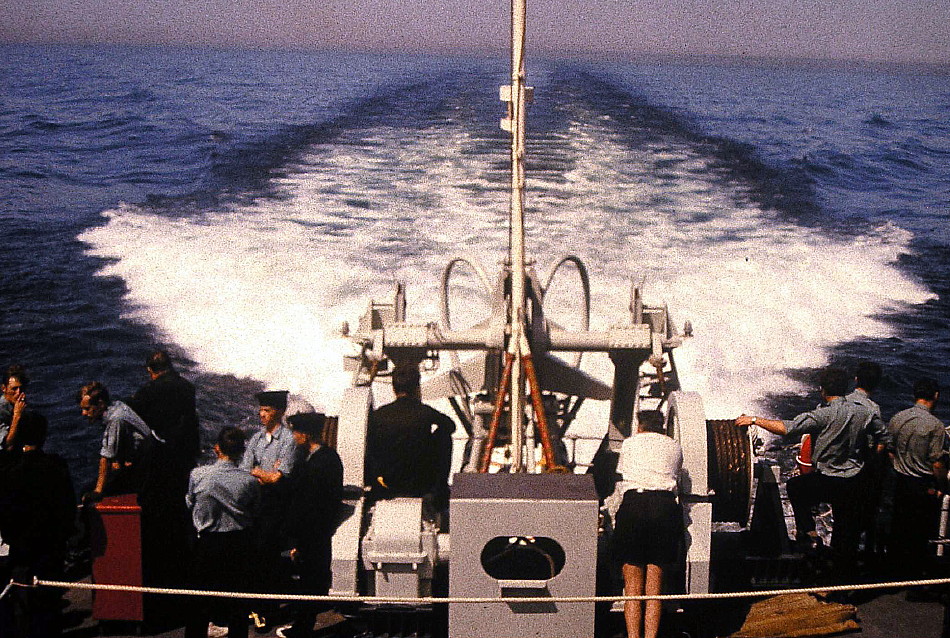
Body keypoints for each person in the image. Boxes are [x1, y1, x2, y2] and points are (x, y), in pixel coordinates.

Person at [736, 366, 888, 576]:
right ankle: (843, 585)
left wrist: (754, 420)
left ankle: (808, 532)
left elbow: (786, 428)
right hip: (854, 481)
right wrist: (870, 461)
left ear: (822, 390)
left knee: (796, 487)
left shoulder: (822, 415)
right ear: (846, 389)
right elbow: (883, 437)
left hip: (828, 480)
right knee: (845, 536)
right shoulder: (866, 412)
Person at [0, 411, 76, 638]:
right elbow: (67, 507)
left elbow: (6, 512)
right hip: (52, 546)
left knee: (25, 606)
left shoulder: (10, 472)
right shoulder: (57, 466)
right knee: (50, 603)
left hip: (22, 550)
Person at [610, 410, 683, 638]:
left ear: (639, 426)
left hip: (635, 505)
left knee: (632, 589)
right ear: (662, 426)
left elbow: (622, 475)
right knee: (654, 589)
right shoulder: (674, 446)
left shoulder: (630, 444)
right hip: (664, 507)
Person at [185, 426, 261, 638]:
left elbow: (190, 503)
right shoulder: (249, 481)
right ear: (241, 452)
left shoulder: (197, 475)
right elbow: (255, 511)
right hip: (238, 545)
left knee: (199, 603)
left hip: (207, 545)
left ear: (217, 449)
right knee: (238, 605)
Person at [278, 412, 343, 638]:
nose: (294, 437)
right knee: (312, 581)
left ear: (305, 435)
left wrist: (298, 541)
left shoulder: (316, 463)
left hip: (312, 533)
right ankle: (304, 625)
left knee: (309, 583)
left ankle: (302, 629)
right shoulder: (327, 458)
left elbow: (309, 504)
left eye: (296, 432)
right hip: (318, 532)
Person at [240, 389, 297, 627]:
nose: (261, 414)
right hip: (257, 506)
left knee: (271, 560)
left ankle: (269, 610)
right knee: (256, 558)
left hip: (277, 507)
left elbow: (278, 477)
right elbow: (245, 471)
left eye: (267, 410)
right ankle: (257, 608)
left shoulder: (289, 441)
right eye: (261, 410)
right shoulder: (255, 439)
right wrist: (264, 473)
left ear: (280, 412)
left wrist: (261, 473)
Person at [365, 364, 455, 510]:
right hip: (418, 484)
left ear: (394, 389)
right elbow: (450, 426)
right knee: (444, 435)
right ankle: (439, 494)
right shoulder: (424, 412)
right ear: (417, 388)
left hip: (386, 484)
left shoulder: (379, 415)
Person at [886, 378, 946, 579]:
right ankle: (915, 581)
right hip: (922, 485)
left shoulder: (898, 418)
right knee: (919, 535)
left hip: (900, 482)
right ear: (936, 396)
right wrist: (942, 487)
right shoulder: (935, 426)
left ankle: (893, 574)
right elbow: (937, 464)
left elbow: (890, 451)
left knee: (898, 530)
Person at [78, 381, 162, 500]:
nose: (84, 413)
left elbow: (106, 457)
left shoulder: (115, 420)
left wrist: (97, 491)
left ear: (101, 404)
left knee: (86, 491)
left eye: (87, 408)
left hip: (146, 468)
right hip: (145, 458)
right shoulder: (117, 406)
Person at [846, 361, 887, 556]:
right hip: (860, 470)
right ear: (877, 384)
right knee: (860, 518)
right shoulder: (872, 408)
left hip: (835, 468)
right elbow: (882, 439)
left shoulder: (842, 402)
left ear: (856, 380)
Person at [1, 364, 29, 450]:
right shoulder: (1, 410)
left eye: (21, 388)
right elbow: (6, 444)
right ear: (4, 388)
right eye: (14, 389)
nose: (18, 393)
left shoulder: (19, 405)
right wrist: (17, 416)